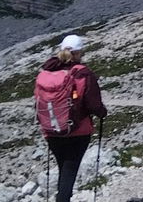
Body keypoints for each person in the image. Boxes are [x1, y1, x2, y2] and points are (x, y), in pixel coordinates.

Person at [39, 35, 107, 202]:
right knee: (69, 171)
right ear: (79, 52)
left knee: (64, 168)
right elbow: (93, 104)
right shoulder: (83, 73)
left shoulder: (47, 71)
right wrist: (102, 113)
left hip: (51, 130)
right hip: (77, 131)